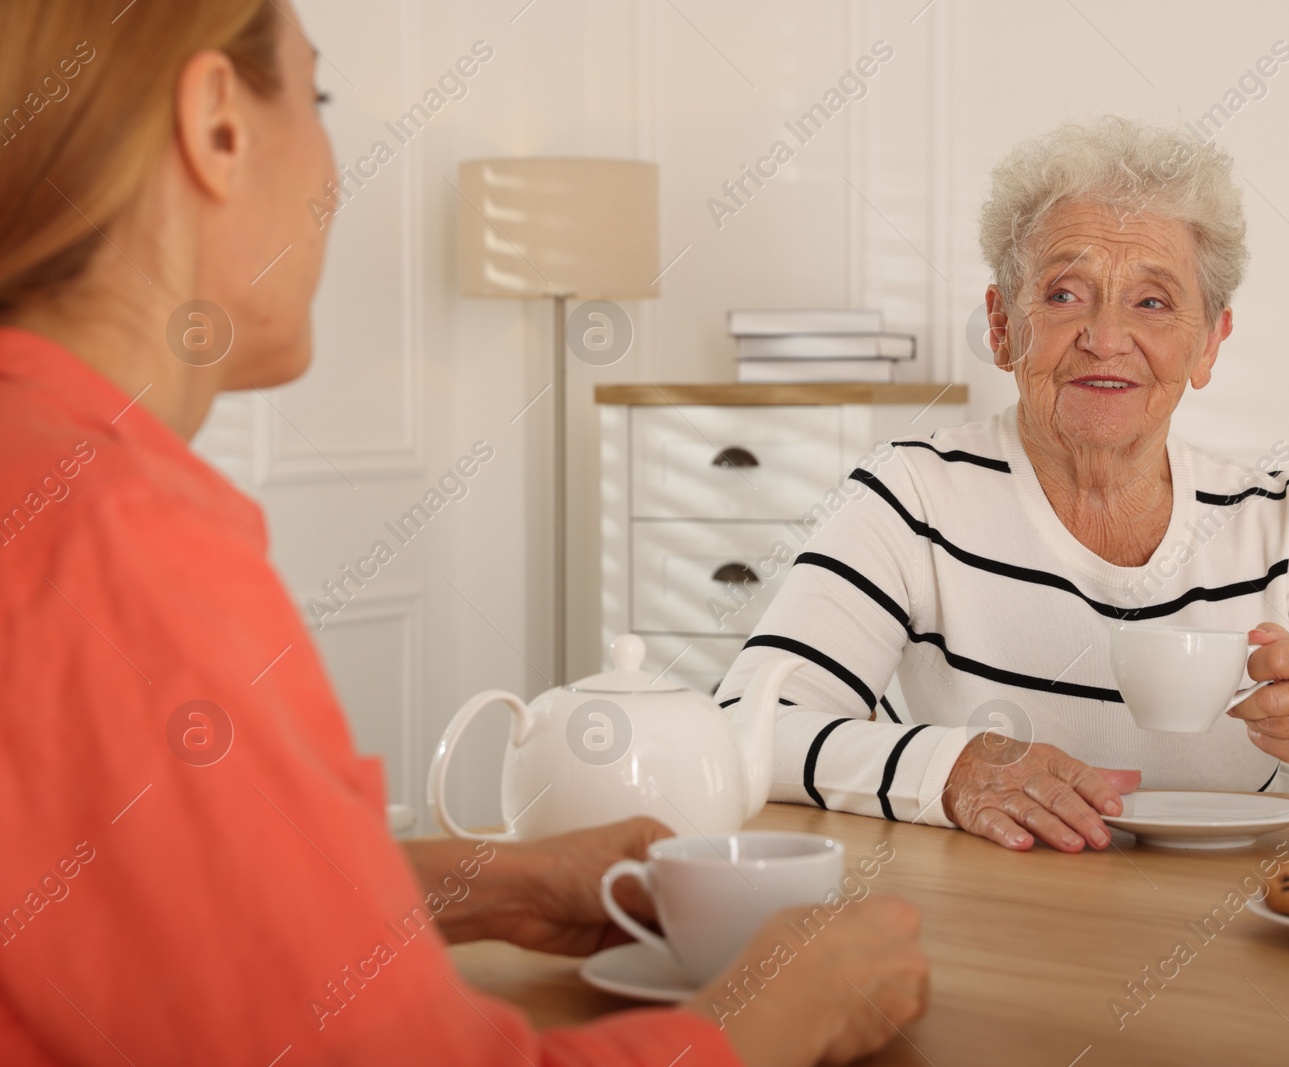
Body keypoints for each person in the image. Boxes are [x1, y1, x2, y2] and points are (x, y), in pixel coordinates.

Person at [0, 2, 927, 1064]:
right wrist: (777, 1013)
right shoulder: (118, 540)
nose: (335, 177)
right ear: (217, 124)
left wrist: (486, 880)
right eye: (321, 98)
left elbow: (130, 890)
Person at [716, 117, 1289, 853]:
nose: (1106, 338)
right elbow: (743, 730)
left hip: (1230, 941)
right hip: (992, 929)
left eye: (1153, 301)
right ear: (1004, 326)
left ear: (1208, 345)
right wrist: (953, 767)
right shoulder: (913, 495)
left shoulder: (1278, 526)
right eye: (1064, 293)